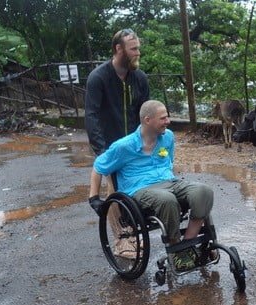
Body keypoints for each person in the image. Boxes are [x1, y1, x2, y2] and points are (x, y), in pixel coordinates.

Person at [88, 100, 214, 272]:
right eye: (163, 118)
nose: (168, 121)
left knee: (203, 192)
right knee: (167, 200)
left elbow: (169, 161)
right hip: (140, 190)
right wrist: (94, 198)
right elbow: (98, 167)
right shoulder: (124, 146)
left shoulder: (168, 137)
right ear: (148, 120)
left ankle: (185, 247)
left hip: (169, 182)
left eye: (167, 117)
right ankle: (175, 245)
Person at [85, 28, 150, 156]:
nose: (138, 53)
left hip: (135, 148)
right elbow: (92, 116)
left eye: (138, 48)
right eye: (133, 49)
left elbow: (146, 114)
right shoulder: (98, 78)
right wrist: (102, 153)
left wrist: (148, 144)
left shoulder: (140, 78)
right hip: (110, 149)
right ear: (119, 49)